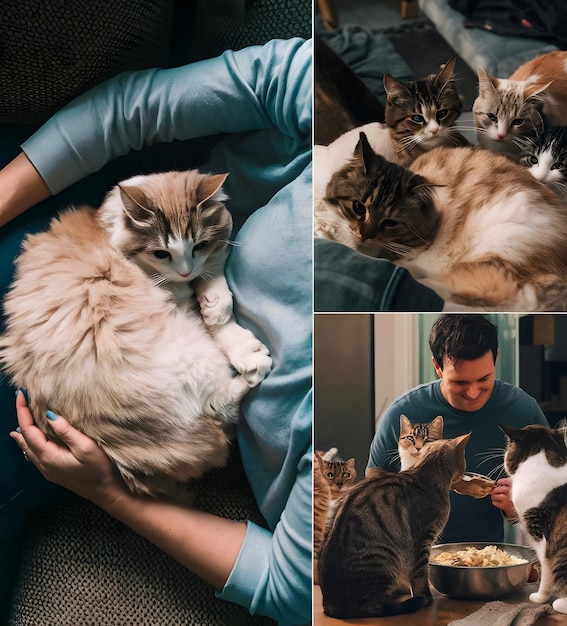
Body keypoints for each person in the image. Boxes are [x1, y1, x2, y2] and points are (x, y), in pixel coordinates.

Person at [1, 37, 312, 625]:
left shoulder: (370, 399)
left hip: (145, 410)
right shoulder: (333, 90)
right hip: (93, 269)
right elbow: (129, 110)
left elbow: (294, 589)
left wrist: (108, 493)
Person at [367, 314, 549, 543]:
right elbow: (372, 494)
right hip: (412, 560)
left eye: (484, 379)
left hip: (487, 562)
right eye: (460, 383)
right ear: (437, 366)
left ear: (496, 359)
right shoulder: (403, 412)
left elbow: (560, 494)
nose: (473, 393)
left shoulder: (523, 410)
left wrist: (521, 507)